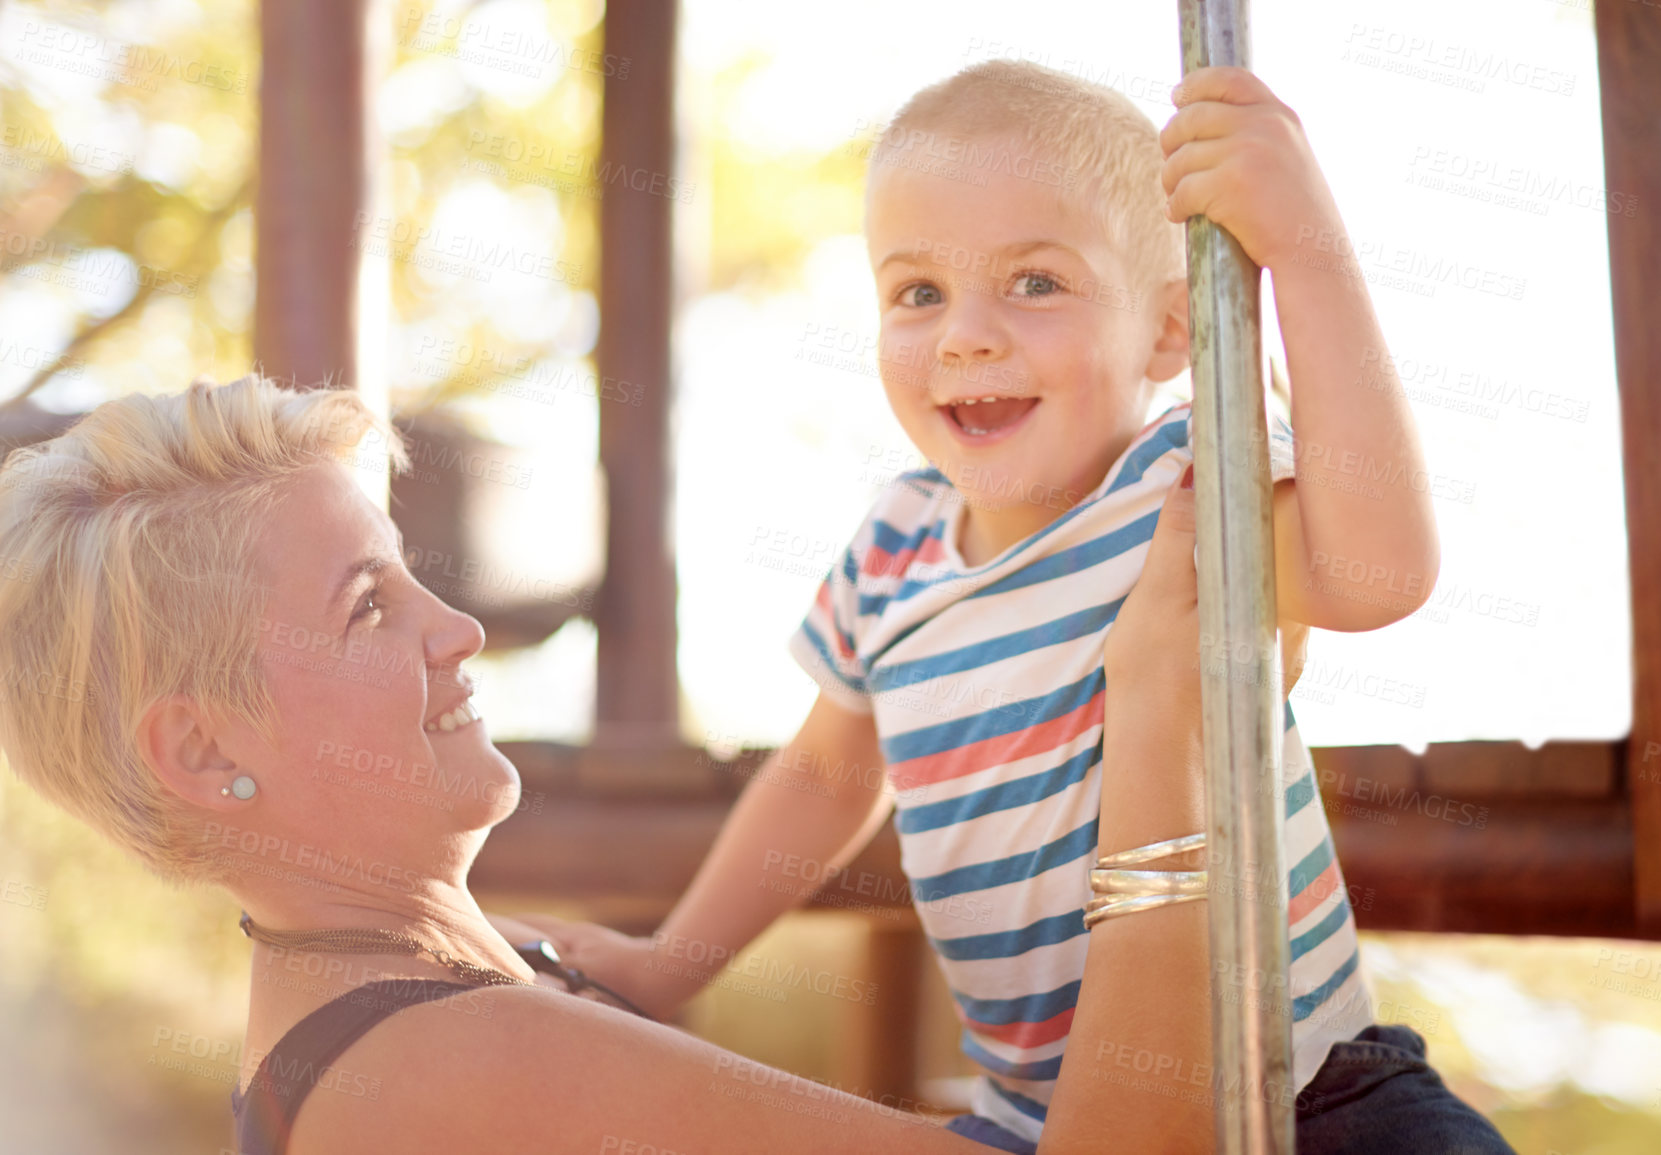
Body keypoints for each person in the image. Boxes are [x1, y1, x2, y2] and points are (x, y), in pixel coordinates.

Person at [528, 58, 1464, 1152]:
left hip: (1303, 1084)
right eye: (918, 291)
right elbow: (825, 779)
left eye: (1035, 282)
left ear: (1169, 334)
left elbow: (1379, 573)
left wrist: (1304, 251)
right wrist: (666, 963)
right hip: (1041, 1123)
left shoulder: (1182, 485)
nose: (965, 334)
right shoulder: (892, 551)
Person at [0, 373, 1258, 1153]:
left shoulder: (447, 999)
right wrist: (1158, 723)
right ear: (204, 746)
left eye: (413, 577)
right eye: (367, 608)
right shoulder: (446, 1059)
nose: (459, 630)